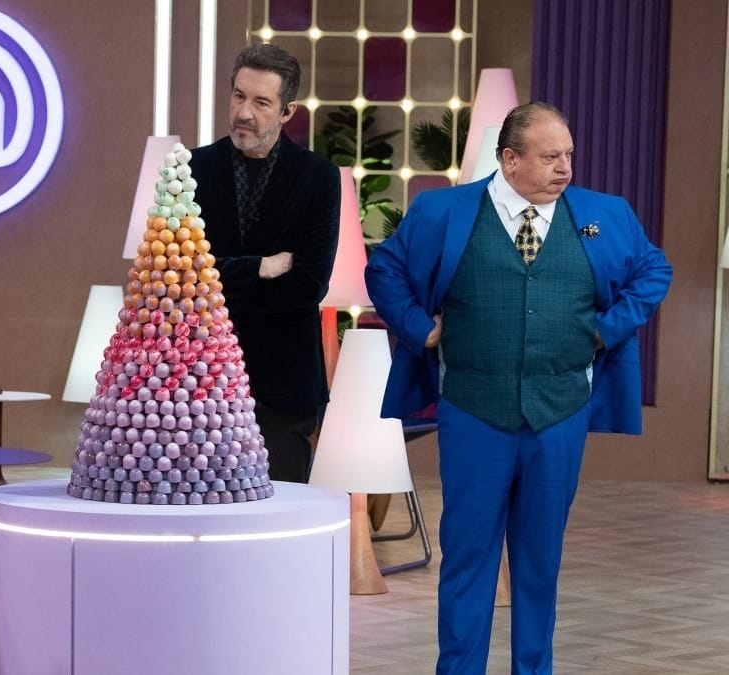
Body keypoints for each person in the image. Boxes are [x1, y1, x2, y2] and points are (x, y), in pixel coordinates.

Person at [366, 101, 672, 673]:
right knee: (467, 558)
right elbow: (384, 268)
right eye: (550, 157)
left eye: (569, 155)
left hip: (560, 415)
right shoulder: (442, 211)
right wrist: (419, 328)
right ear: (509, 159)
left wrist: (608, 328)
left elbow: (655, 270)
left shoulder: (605, 215)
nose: (565, 168)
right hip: (472, 412)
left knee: (539, 563)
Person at [189, 42, 339, 484]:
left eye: (261, 102)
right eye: (239, 96)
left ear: (287, 111)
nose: (244, 113)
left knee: (282, 505)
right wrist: (260, 267)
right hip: (201, 377)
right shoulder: (193, 169)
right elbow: (183, 275)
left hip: (284, 383)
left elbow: (310, 283)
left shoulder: (318, 177)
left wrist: (221, 278)